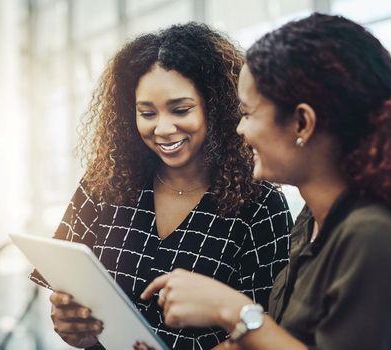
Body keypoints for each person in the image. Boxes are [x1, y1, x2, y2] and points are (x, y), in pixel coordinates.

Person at [140, 13, 391, 350]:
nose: (239, 130)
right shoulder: (312, 221)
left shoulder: (373, 237)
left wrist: (230, 309)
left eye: (248, 114)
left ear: (302, 123)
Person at [29, 22, 292, 349]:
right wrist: (71, 324)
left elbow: (268, 330)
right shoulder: (105, 180)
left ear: (216, 106)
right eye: (147, 112)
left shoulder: (261, 205)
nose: (163, 128)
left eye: (181, 109)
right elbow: (68, 294)